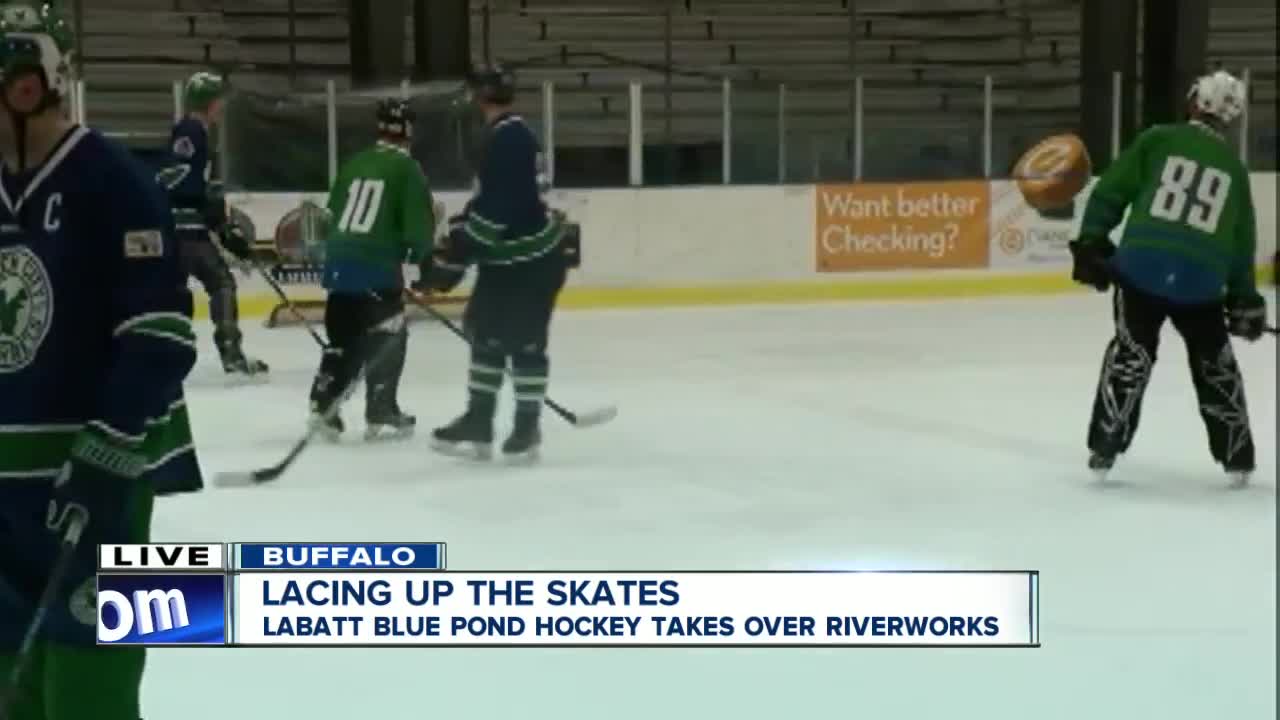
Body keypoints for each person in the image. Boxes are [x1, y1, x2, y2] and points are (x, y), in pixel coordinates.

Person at [0, 3, 202, 718]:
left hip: (98, 480)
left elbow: (162, 336)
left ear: (27, 85)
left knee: (93, 694)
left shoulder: (115, 181)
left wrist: (104, 449)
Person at [1069, 69, 1266, 486]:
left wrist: (1091, 241)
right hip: (1201, 282)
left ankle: (1104, 447)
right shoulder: (1234, 170)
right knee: (1216, 366)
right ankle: (1237, 459)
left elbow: (1111, 192)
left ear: (1195, 103)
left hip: (1142, 268)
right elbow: (1240, 244)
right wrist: (1244, 298)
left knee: (1131, 354)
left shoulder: (1158, 139)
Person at [419, 65, 573, 462]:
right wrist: (461, 229)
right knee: (485, 335)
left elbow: (502, 209)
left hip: (528, 263)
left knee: (523, 344)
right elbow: (494, 200)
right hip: (514, 261)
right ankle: (480, 422)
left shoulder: (507, 140)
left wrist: (461, 250)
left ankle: (525, 429)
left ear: (477, 96)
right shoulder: (508, 135)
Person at [308, 98, 433, 441]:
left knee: (342, 337)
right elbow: (417, 230)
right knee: (391, 333)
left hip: (338, 262)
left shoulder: (354, 163)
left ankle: (322, 404)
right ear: (408, 130)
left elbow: (330, 215)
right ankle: (380, 407)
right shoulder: (407, 168)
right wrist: (421, 262)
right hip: (376, 264)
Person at [157, 70, 267, 377]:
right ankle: (231, 356)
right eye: (219, 100)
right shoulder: (190, 131)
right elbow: (179, 182)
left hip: (181, 230)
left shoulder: (198, 132)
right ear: (208, 102)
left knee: (175, 293)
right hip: (184, 232)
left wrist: (221, 225)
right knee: (221, 283)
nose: (223, 106)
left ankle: (165, 357)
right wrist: (216, 219)